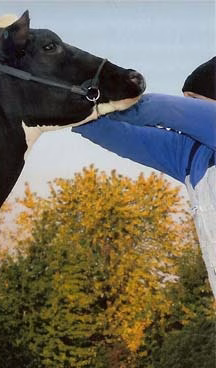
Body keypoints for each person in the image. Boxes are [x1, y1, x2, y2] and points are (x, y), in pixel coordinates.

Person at [73, 57, 216, 297]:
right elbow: (119, 134)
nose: (187, 106)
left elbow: (163, 110)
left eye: (194, 101)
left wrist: (118, 96)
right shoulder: (190, 155)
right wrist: (72, 107)